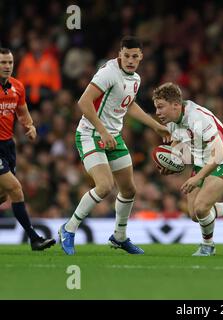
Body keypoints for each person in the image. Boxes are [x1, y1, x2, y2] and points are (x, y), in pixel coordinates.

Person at [59, 36, 170, 255]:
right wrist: (102, 130)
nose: (130, 60)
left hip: (113, 137)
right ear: (120, 54)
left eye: (134, 56)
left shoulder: (135, 78)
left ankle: (119, 237)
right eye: (126, 55)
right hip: (91, 134)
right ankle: (68, 229)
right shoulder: (108, 72)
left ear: (141, 57)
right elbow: (84, 101)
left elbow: (129, 105)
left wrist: (156, 126)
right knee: (104, 186)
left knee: (129, 189)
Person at [152, 82, 223, 256]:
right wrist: (171, 159)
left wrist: (198, 177)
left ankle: (208, 245)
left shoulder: (198, 118)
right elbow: (177, 139)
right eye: (156, 108)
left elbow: (219, 153)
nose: (157, 112)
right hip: (201, 163)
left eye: (160, 107)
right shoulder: (173, 120)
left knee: (201, 208)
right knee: (194, 214)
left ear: (176, 105)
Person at [0, 47, 56, 250]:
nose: (7, 66)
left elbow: (22, 111)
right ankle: (34, 238)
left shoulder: (17, 87)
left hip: (8, 145)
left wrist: (30, 126)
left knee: (3, 195)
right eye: (2, 63)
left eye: (9, 63)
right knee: (15, 189)